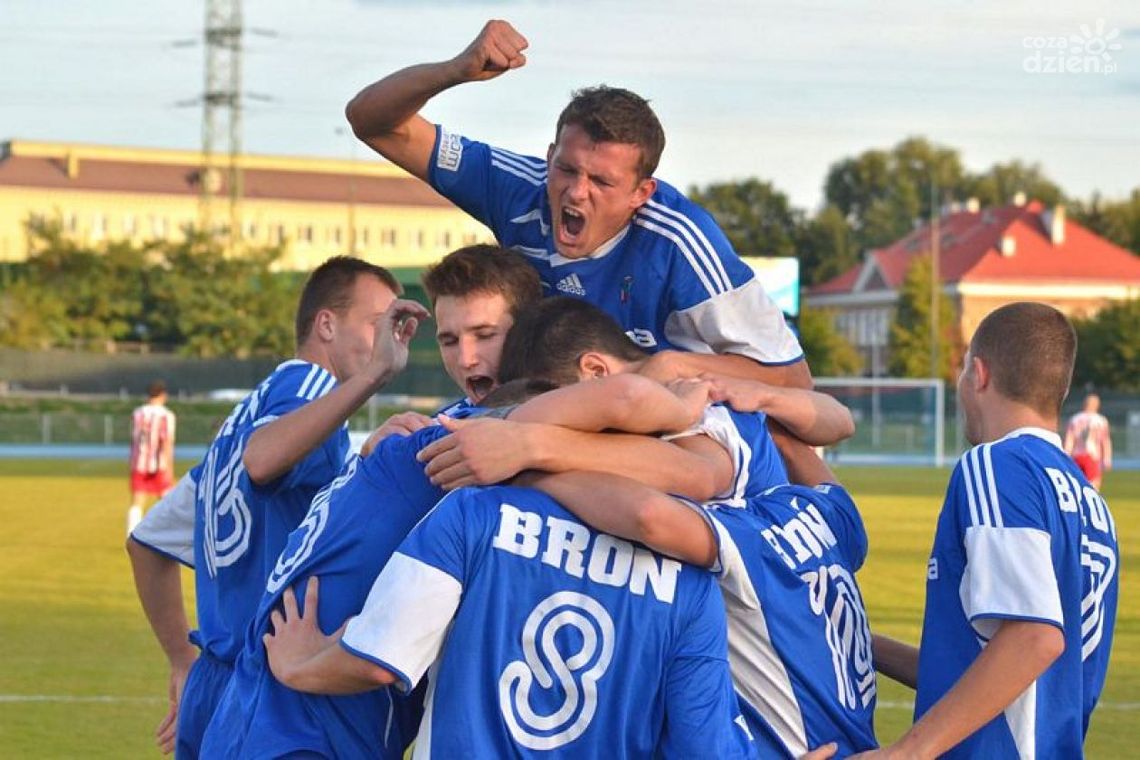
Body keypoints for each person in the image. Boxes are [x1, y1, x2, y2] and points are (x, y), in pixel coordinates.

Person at [200, 374, 723, 759]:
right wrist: (681, 407)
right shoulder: (455, 452)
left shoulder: (413, 466)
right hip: (299, 733)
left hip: (265, 720)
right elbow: (638, 413)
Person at [345, 19, 812, 391]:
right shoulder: (516, 187)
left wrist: (662, 367)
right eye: (566, 169)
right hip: (549, 417)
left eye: (602, 181)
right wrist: (454, 70)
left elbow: (791, 378)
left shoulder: (679, 242)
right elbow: (372, 122)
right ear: (549, 156)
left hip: (671, 430)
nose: (575, 192)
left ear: (640, 194)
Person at [126, 256, 427, 757]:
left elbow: (146, 543)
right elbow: (264, 461)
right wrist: (369, 380)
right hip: (268, 688)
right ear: (325, 324)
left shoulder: (238, 425)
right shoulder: (308, 385)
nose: (390, 343)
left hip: (217, 684)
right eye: (379, 324)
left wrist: (182, 661)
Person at [508, 391, 876, 757]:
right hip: (858, 744)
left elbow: (649, 516)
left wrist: (530, 471)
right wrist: (759, 405)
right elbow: (798, 447)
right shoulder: (818, 509)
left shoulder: (746, 539)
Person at [263, 483, 753, 758]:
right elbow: (705, 750)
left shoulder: (473, 508)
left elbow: (380, 660)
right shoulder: (689, 579)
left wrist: (297, 668)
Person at [856, 303, 1120, 758]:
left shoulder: (997, 465)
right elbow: (1002, 674)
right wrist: (866, 645)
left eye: (961, 371)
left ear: (978, 374)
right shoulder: (1091, 503)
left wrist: (905, 752)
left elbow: (1033, 639)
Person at [127, 380, 177, 533]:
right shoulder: (166, 415)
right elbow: (167, 443)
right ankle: (167, 535)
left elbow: (133, 440)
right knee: (167, 502)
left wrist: (131, 462)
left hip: (139, 463)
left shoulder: (137, 413)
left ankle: (131, 535)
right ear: (163, 395)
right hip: (159, 464)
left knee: (137, 501)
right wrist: (170, 468)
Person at [1064, 392, 1113, 489]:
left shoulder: (1074, 419)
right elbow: (1105, 441)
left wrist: (1065, 456)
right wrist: (1107, 459)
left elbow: (1069, 440)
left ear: (1084, 404)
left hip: (1076, 456)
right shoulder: (1101, 420)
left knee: (1077, 486)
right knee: (1094, 487)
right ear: (1097, 405)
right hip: (1093, 456)